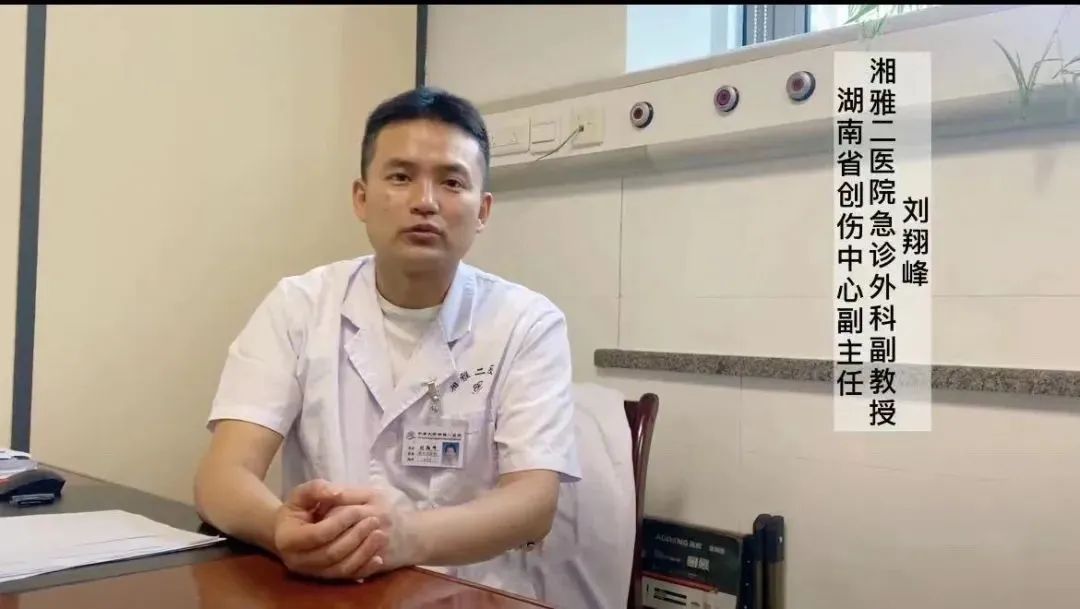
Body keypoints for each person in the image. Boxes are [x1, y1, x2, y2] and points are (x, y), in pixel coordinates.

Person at [193, 86, 580, 598]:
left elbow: (534, 504)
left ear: (483, 210)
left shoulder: (527, 323)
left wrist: (405, 537)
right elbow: (222, 477)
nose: (425, 202)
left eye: (451, 182)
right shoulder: (299, 306)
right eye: (400, 177)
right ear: (361, 197)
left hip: (467, 593)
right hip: (324, 587)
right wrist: (278, 528)